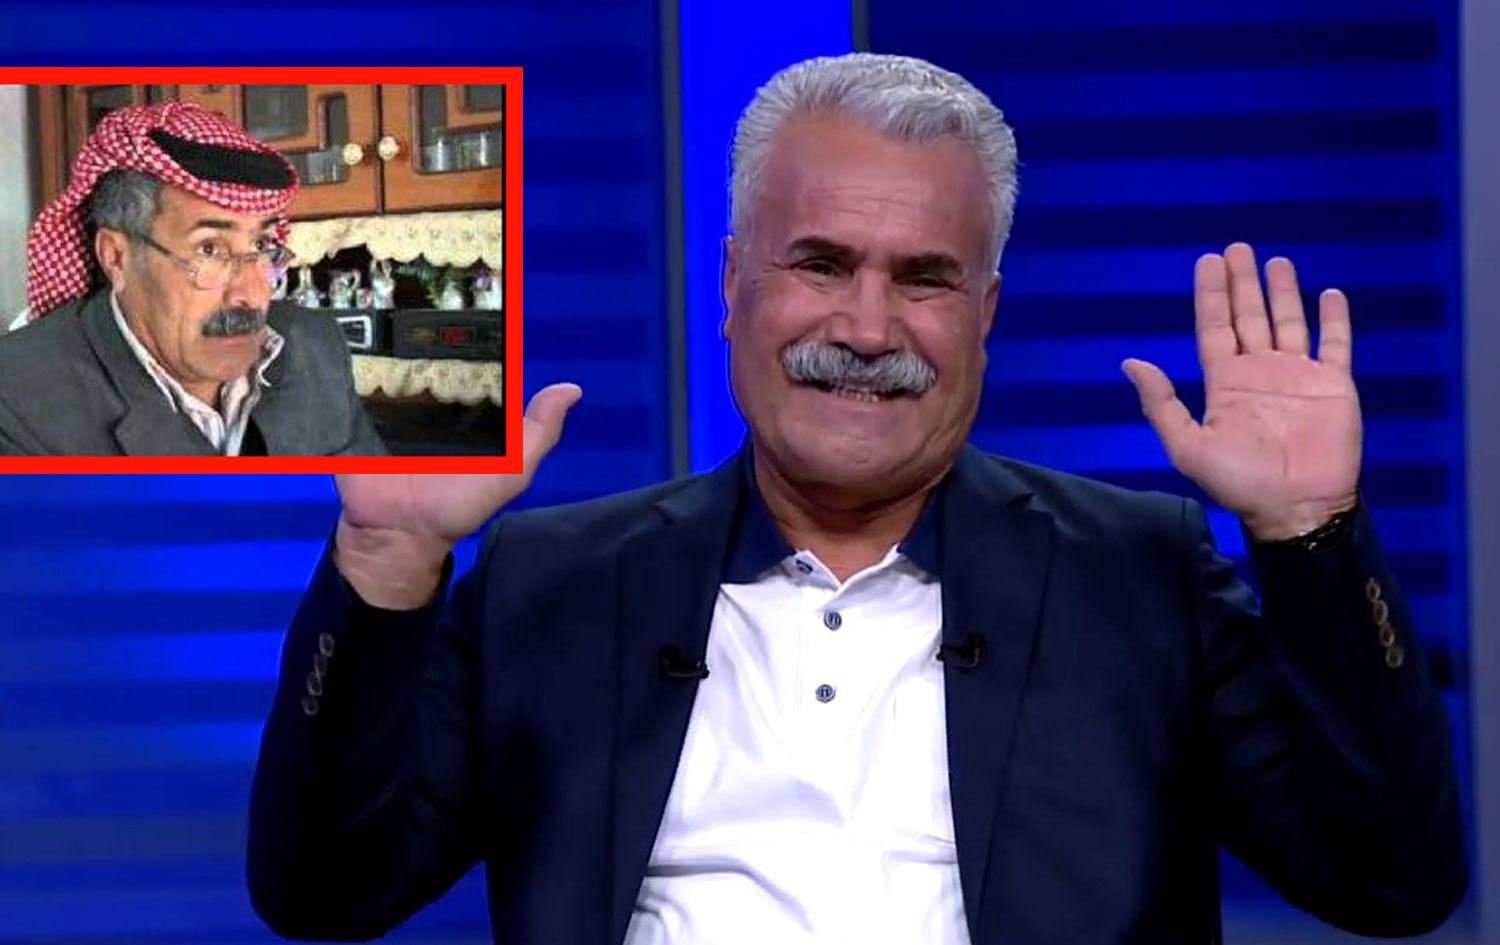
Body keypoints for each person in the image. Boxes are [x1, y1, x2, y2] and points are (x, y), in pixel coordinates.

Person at [247, 53, 1464, 944]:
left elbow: (1393, 884)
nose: (868, 328)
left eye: (925, 279)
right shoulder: (558, 584)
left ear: (986, 315)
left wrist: (1309, 535)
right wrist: (386, 557)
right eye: (822, 264)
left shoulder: (1136, 574)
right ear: (733, 283)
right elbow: (323, 893)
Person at [0, 101, 383, 456]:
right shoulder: (18, 400)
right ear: (116, 257)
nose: (252, 293)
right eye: (209, 249)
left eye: (262, 244)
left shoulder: (315, 347)